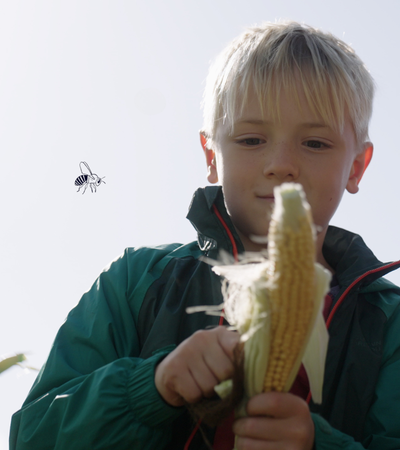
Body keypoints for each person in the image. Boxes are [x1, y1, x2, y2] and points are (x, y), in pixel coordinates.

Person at [10, 21, 400, 450]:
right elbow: (34, 435)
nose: (281, 163)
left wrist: (317, 444)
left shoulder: (389, 322)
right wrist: (152, 387)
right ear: (211, 156)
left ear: (358, 167)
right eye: (251, 139)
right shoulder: (134, 282)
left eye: (315, 143)